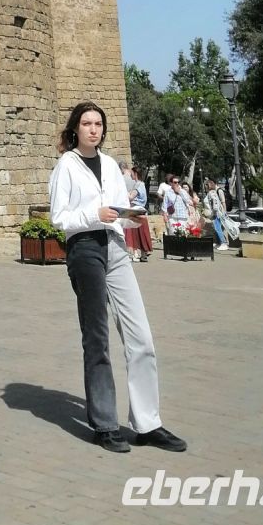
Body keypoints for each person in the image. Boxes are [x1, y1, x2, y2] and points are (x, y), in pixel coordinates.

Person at [49, 100, 187, 454]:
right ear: (75, 128)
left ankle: (147, 423)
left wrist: (131, 218)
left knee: (140, 335)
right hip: (84, 250)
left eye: (98, 124)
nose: (93, 129)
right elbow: (59, 218)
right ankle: (105, 424)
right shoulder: (66, 165)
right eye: (86, 123)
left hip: (115, 247)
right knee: (97, 336)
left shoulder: (110, 165)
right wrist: (94, 214)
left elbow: (116, 212)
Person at [203, 179, 229, 249]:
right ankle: (220, 243)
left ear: (208, 185)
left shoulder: (211, 193)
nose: (205, 186)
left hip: (216, 214)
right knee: (217, 228)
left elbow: (215, 205)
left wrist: (213, 214)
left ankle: (223, 243)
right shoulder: (212, 192)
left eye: (206, 185)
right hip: (217, 213)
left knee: (218, 229)